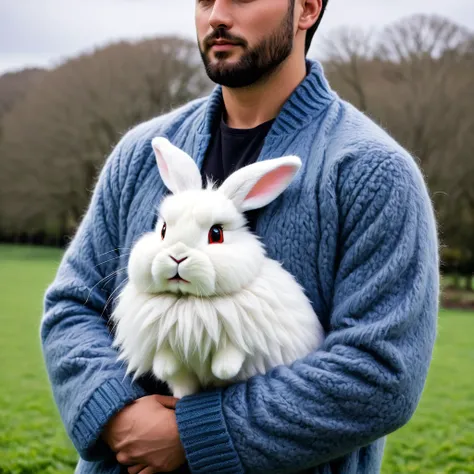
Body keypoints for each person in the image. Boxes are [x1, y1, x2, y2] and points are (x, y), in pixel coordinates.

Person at [40, 0, 439, 473]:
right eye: (206, 0)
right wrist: (118, 412)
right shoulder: (141, 154)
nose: (216, 16)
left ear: (307, 9)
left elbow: (380, 370)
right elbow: (72, 304)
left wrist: (194, 435)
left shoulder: (372, 172)